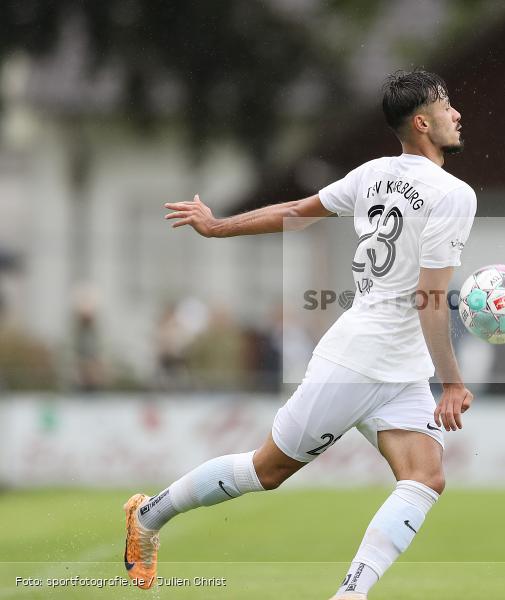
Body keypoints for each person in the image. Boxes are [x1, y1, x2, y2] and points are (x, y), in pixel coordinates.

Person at [123, 69, 476, 600]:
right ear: (423, 122)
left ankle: (350, 595)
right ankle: (149, 515)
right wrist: (452, 382)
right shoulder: (453, 195)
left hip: (401, 367)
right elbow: (428, 299)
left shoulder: (375, 173)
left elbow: (294, 211)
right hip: (358, 361)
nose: (457, 114)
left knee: (425, 477)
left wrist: (219, 225)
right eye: (447, 106)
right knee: (267, 470)